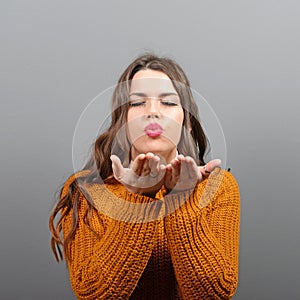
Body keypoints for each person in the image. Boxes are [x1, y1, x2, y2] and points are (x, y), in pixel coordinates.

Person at [49, 53, 240, 299]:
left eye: (168, 103)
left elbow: (214, 294)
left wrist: (180, 198)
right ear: (122, 123)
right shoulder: (87, 190)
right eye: (137, 103)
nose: (152, 112)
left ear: (187, 124)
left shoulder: (218, 187)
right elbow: (94, 294)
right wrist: (139, 199)